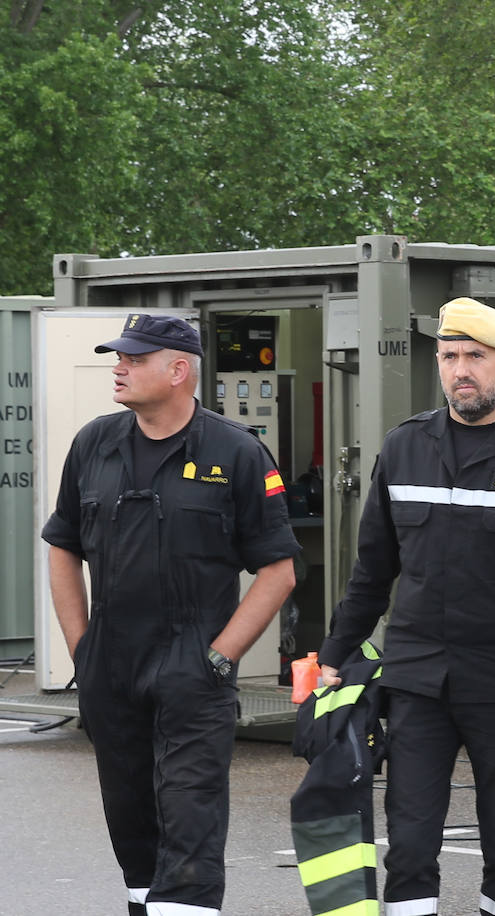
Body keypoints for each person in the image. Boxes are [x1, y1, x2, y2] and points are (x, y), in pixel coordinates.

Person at [318, 297, 495, 916]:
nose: (460, 370)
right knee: (411, 845)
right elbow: (372, 571)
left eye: (475, 357)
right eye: (449, 357)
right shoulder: (404, 448)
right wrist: (335, 656)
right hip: (418, 679)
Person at [42, 314, 301, 916]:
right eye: (118, 358)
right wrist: (84, 649)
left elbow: (278, 570)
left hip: (192, 663)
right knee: (130, 822)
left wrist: (220, 656)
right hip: (112, 659)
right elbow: (62, 545)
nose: (119, 367)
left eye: (133, 359)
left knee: (189, 817)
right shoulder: (93, 444)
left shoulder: (235, 451)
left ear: (178, 370)